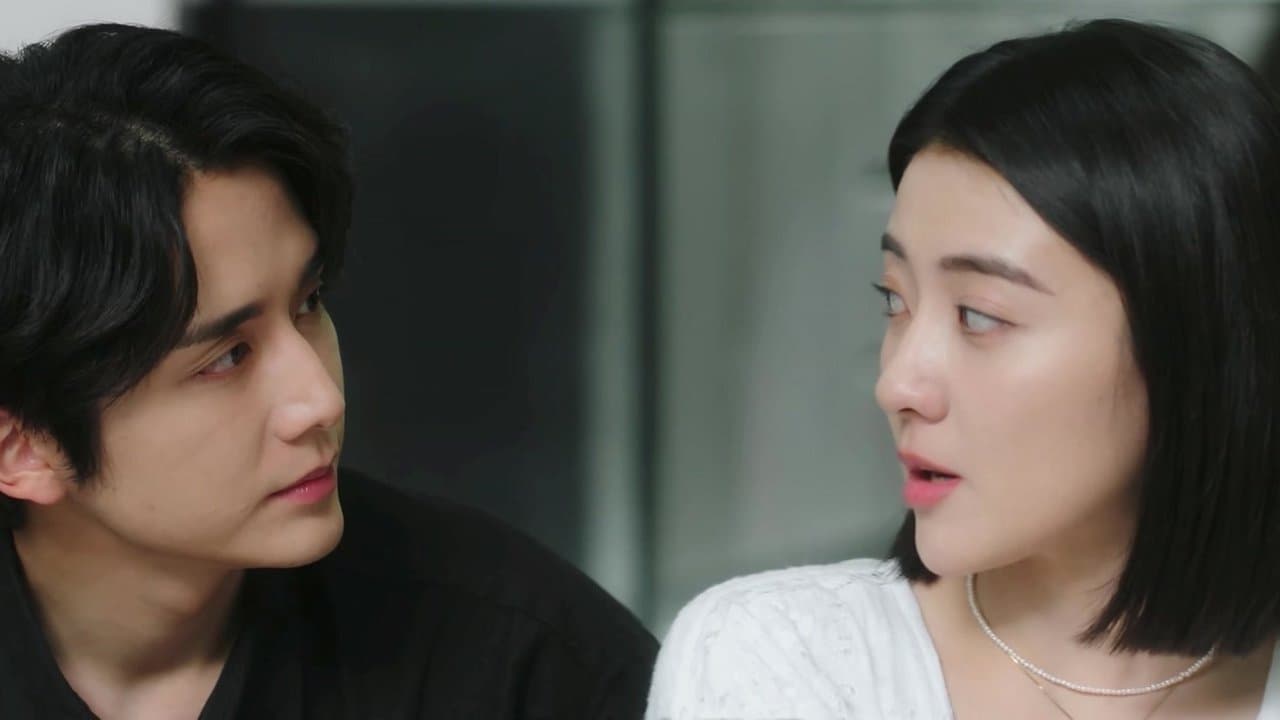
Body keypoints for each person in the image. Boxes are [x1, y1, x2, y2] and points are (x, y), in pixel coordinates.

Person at [0, 23, 656, 719]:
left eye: (308, 303)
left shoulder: (520, 660)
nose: (320, 398)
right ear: (22, 447)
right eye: (226, 357)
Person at [646, 18, 1280, 720]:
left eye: (979, 315)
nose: (896, 385)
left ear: (1197, 344)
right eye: (895, 300)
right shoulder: (776, 664)